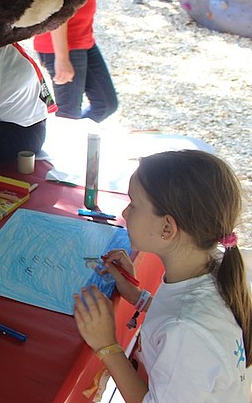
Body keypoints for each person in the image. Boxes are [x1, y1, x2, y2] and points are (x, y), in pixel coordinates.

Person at [73, 150, 251, 402]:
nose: (125, 213)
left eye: (133, 205)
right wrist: (140, 298)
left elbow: (183, 325)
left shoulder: (186, 334)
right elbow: (179, 311)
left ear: (167, 228)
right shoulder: (215, 263)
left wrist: (107, 346)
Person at [33, 0, 118, 122]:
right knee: (69, 113)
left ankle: (74, 132)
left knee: (106, 104)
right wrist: (62, 58)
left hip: (84, 39)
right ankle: (65, 135)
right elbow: (56, 8)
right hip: (62, 44)